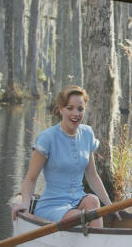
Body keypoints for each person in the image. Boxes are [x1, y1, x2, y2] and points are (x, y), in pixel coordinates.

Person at [9, 87, 105, 230]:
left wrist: (110, 206)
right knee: (77, 216)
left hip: (79, 199)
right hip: (53, 204)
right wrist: (25, 204)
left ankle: (97, 246)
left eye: (80, 109)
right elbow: (31, 178)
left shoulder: (87, 133)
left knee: (93, 200)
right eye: (70, 108)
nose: (76, 114)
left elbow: (92, 174)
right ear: (60, 109)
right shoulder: (47, 138)